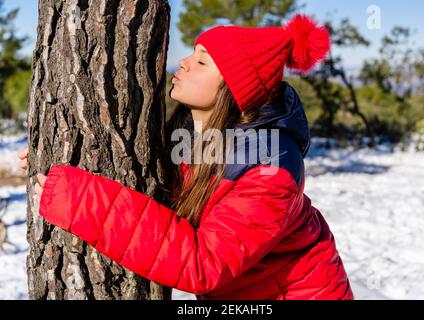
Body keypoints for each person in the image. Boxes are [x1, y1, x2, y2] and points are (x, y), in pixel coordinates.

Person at [18, 14, 354, 300]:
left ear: (232, 90)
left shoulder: (270, 170)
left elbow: (204, 263)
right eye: (193, 53)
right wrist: (50, 160)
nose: (184, 61)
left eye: (202, 61)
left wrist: (80, 200)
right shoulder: (193, 139)